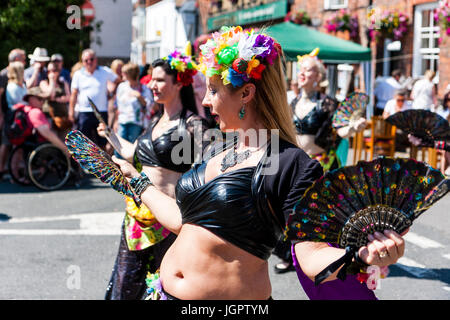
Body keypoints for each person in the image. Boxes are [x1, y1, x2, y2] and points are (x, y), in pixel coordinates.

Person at [111, 26, 321, 300]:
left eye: (213, 90)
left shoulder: (291, 163)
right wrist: (136, 180)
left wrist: (361, 253)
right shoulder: (221, 150)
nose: (206, 101)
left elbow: (312, 253)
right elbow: (184, 222)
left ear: (246, 93)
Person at [99, 50, 212, 300]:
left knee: (162, 287)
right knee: (125, 285)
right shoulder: (155, 121)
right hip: (136, 220)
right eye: (151, 79)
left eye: (160, 80)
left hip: (167, 222)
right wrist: (110, 135)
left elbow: (214, 164)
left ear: (179, 83)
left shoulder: (193, 124)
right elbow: (136, 153)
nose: (152, 84)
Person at [69, 49, 121, 149]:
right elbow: (74, 94)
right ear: (82, 62)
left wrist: (111, 93)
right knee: (83, 143)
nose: (89, 62)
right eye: (86, 60)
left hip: (101, 112)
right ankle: (84, 165)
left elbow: (118, 80)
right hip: (84, 112)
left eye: (91, 59)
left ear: (96, 60)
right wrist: (71, 112)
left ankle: (101, 164)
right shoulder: (78, 74)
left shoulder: (104, 71)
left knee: (102, 142)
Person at [114, 62, 153, 144]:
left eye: (124, 73)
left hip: (136, 122)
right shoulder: (121, 87)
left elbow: (149, 105)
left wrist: (139, 97)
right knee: (119, 145)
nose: (122, 74)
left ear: (130, 74)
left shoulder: (143, 88)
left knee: (132, 145)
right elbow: (118, 106)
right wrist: (115, 122)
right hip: (122, 121)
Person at [39, 61, 72, 138]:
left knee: (64, 140)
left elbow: (69, 97)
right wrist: (52, 81)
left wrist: (58, 99)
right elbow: (50, 95)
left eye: (53, 70)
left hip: (62, 117)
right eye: (48, 71)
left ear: (58, 71)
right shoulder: (43, 83)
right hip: (49, 117)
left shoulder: (63, 83)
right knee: (54, 140)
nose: (51, 73)